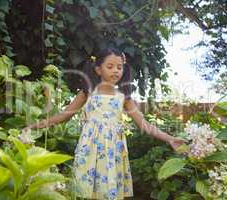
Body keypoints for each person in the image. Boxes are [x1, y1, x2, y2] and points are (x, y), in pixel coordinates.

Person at [22, 48, 187, 200]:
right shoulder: (87, 93)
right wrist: (35, 125)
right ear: (98, 69)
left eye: (119, 67)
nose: (116, 70)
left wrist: (170, 138)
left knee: (108, 190)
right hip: (89, 149)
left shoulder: (124, 97)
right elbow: (63, 117)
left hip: (112, 153)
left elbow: (144, 124)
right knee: (83, 190)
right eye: (110, 66)